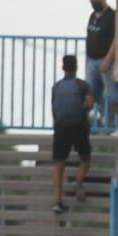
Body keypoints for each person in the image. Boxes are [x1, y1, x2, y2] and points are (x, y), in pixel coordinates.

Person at [50, 54, 94, 214]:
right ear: (76, 67)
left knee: (58, 164)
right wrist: (85, 110)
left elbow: (53, 109)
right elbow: (89, 104)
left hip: (61, 128)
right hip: (79, 127)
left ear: (63, 68)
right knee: (86, 159)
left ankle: (58, 201)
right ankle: (78, 181)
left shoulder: (56, 87)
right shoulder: (83, 85)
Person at [84, 0, 118, 128]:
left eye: (96, 0)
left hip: (107, 62)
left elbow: (117, 39)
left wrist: (108, 59)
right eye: (92, 0)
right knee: (90, 96)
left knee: (113, 95)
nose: (94, 3)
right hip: (91, 61)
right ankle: (110, 121)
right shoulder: (92, 16)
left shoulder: (112, 16)